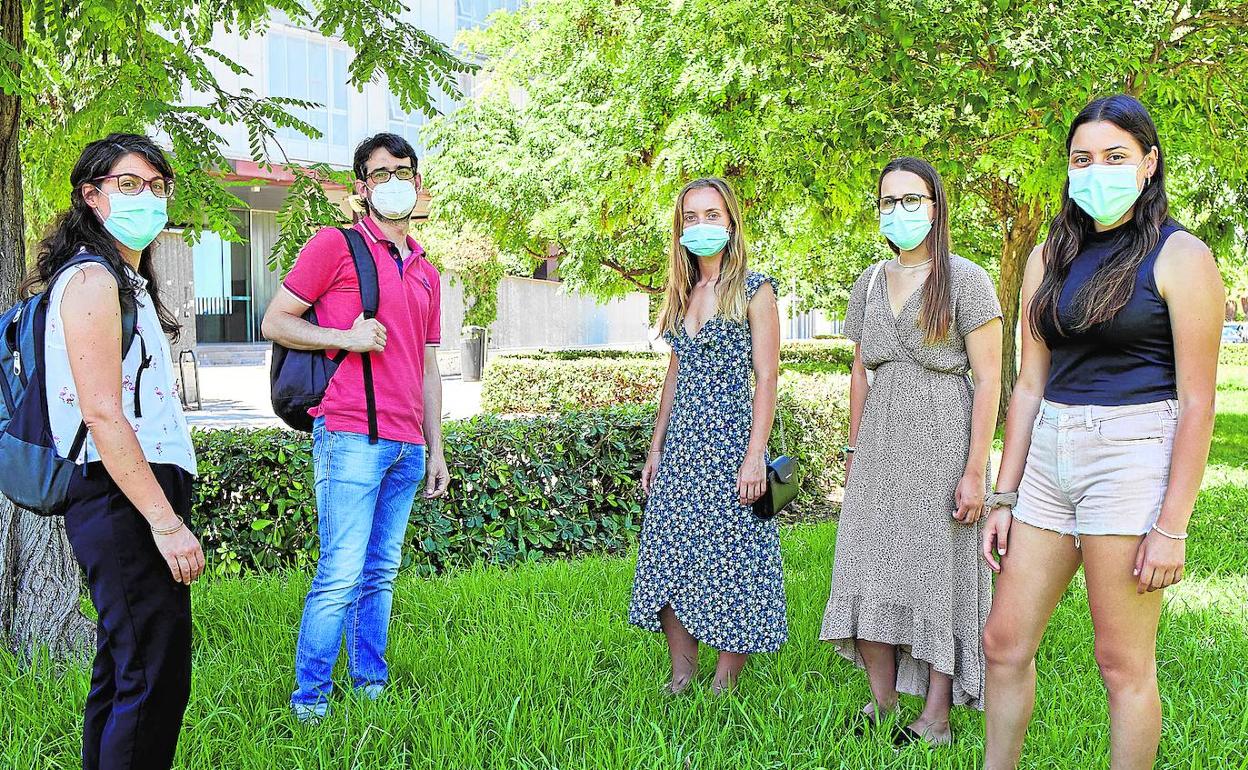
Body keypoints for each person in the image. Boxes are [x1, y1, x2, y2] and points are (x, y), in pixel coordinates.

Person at [980, 95, 1223, 770]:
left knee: (1121, 664)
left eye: (1115, 157)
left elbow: (1199, 403)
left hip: (1134, 454)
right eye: (1081, 159)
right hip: (1050, 458)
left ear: (1149, 163)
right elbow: (1029, 384)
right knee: (1003, 642)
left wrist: (1172, 524)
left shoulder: (1182, 256)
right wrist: (1004, 498)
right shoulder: (1046, 256)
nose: (1097, 171)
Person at [23, 133, 202, 770]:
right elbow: (102, 412)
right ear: (91, 197)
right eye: (129, 185)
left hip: (130, 485)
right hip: (120, 491)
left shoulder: (123, 277)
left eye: (157, 187)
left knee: (126, 670)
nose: (147, 198)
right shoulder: (94, 279)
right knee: (154, 680)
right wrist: (165, 522)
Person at [262, 133, 451, 722]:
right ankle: (310, 701)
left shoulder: (426, 271)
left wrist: (435, 447)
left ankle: (370, 682)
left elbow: (427, 366)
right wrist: (346, 336)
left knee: (382, 574)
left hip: (406, 445)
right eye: (380, 172)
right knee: (341, 572)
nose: (394, 181)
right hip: (348, 435)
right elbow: (275, 321)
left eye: (404, 170)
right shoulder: (334, 246)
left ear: (417, 184)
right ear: (362, 189)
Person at [819, 157, 1004, 745]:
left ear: (936, 205)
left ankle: (936, 717)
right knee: (864, 571)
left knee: (935, 580)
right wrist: (853, 449)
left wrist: (977, 470)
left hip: (943, 448)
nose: (899, 212)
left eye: (911, 200)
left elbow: (991, 380)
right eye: (888, 202)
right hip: (877, 450)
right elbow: (859, 369)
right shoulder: (869, 282)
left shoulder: (966, 279)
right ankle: (880, 705)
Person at [628, 177, 784, 694]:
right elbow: (673, 376)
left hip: (733, 443)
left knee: (735, 558)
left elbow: (768, 375)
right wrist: (656, 448)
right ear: (679, 230)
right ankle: (682, 675)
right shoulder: (679, 294)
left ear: (731, 221)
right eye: (690, 218)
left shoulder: (755, 289)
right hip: (682, 450)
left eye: (712, 215)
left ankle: (725, 683)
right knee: (668, 552)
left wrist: (755, 455)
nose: (701, 226)